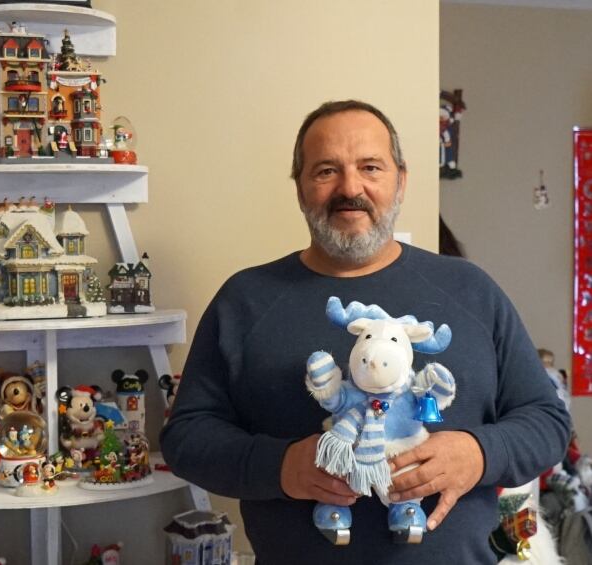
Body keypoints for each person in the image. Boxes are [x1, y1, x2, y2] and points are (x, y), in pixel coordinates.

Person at [160, 100, 571, 564]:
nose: (350, 187)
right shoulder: (245, 300)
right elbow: (187, 439)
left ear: (401, 180)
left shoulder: (471, 289)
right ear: (299, 187)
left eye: (370, 167)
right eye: (325, 171)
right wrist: (281, 467)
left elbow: (548, 422)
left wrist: (478, 453)